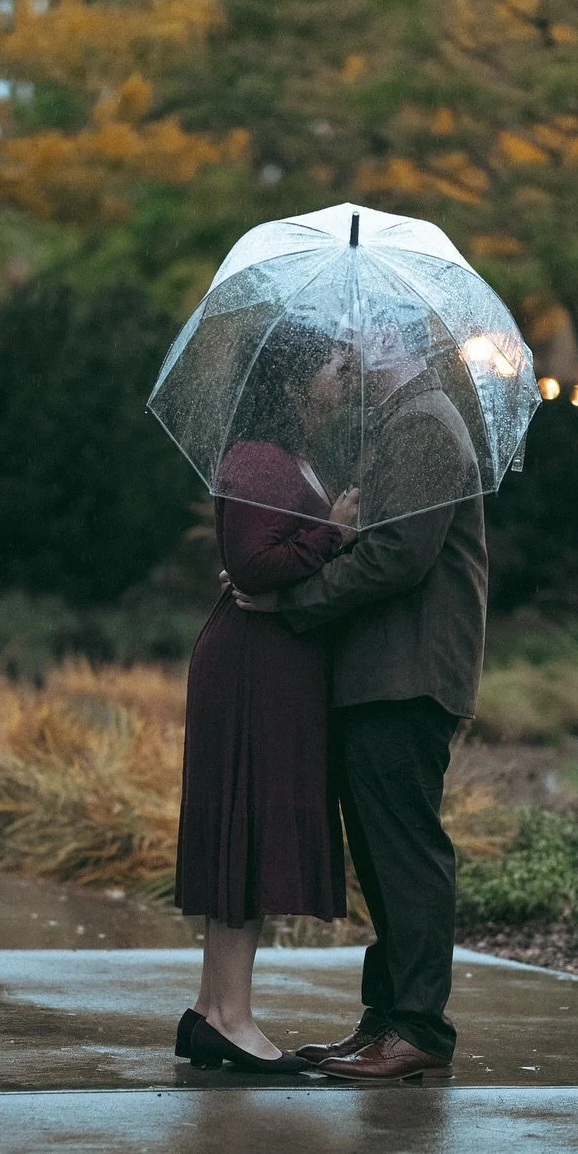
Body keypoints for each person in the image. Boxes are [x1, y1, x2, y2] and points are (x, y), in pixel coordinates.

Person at [230, 365, 488, 1084]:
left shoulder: (424, 425)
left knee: (405, 852)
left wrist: (289, 601)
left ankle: (419, 1027)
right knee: (381, 855)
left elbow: (396, 558)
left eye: (357, 343)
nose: (345, 361)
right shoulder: (402, 424)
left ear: (391, 341)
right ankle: (385, 1020)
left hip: (407, 675)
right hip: (380, 675)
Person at [174, 331, 359, 1075]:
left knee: (242, 833)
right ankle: (230, 1016)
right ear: (292, 381)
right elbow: (252, 563)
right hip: (250, 666)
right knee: (242, 834)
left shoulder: (290, 459)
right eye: (334, 367)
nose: (344, 380)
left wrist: (320, 534)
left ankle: (212, 1011)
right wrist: (333, 534)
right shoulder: (258, 456)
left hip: (270, 664)